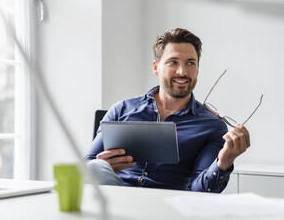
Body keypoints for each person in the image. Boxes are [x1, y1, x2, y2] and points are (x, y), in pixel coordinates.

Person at [84, 28, 250, 192]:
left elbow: (201, 192)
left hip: (168, 207)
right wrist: (105, 164)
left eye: (190, 63)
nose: (182, 72)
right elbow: (87, 166)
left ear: (198, 69)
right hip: (118, 200)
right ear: (156, 67)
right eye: (173, 62)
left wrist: (223, 162)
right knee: (93, 168)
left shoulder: (212, 126)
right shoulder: (122, 109)